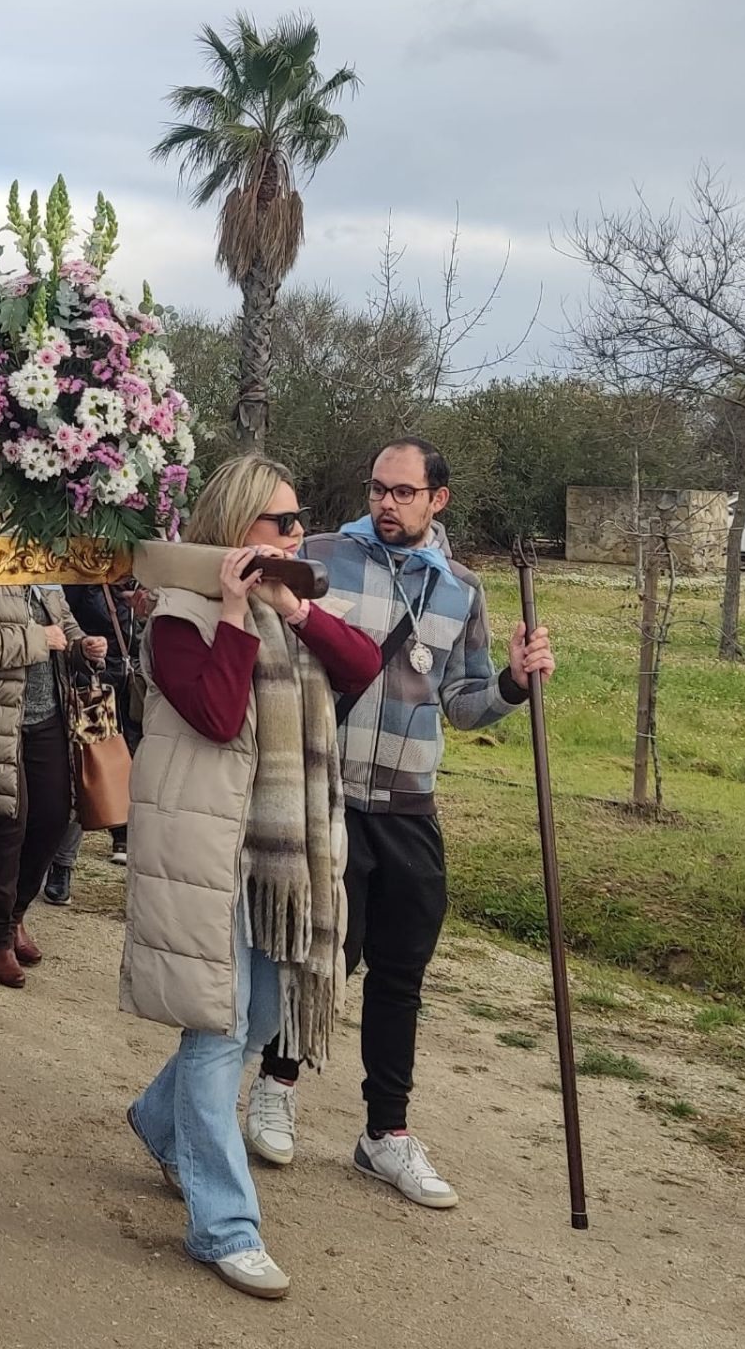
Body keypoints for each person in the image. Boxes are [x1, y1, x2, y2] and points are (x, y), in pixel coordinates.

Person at [245, 437, 555, 1207]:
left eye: (404, 493)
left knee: (401, 970)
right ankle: (275, 1087)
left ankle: (385, 1132)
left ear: (436, 500)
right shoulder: (316, 555)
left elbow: (465, 702)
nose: (387, 504)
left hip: (410, 801)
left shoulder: (462, 592)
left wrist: (514, 683)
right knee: (320, 954)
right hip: (327, 790)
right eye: (379, 489)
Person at [123, 454, 383, 1299]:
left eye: (302, 517)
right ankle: (224, 1226)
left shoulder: (291, 607)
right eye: (283, 522)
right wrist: (234, 611)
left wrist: (294, 609)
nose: (299, 532)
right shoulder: (176, 614)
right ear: (239, 529)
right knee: (221, 1026)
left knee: (262, 1009)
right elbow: (216, 712)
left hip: (279, 859)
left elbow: (362, 668)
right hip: (209, 854)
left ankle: (160, 1124)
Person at [0, 583, 105, 986]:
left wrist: (84, 647)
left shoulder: (42, 575)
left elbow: (66, 629)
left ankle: (15, 915)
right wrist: (37, 639)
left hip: (47, 717)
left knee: (54, 817)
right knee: (9, 824)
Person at [46, 575, 145, 901]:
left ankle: (123, 833)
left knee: (128, 764)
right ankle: (62, 865)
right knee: (86, 768)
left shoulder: (145, 575)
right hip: (90, 686)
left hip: (133, 684)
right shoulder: (83, 574)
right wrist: (90, 646)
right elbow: (69, 625)